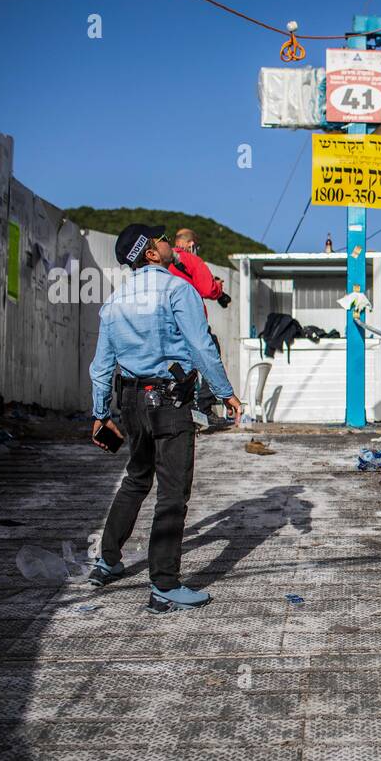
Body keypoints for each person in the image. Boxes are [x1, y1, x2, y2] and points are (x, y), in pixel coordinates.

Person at [88, 224, 241, 613]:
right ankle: (164, 585)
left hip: (130, 401)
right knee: (172, 492)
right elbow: (202, 347)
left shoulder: (115, 300)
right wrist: (225, 393)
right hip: (169, 402)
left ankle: (107, 560)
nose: (169, 244)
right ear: (152, 254)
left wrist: (99, 414)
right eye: (161, 240)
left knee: (137, 479)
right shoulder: (178, 290)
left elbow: (100, 368)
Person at [170, 228, 232, 428]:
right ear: (191, 244)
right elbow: (206, 288)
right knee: (208, 351)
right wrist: (218, 288)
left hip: (168, 324)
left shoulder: (163, 262)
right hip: (191, 322)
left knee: (179, 367)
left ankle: (180, 409)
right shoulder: (192, 260)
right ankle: (204, 408)